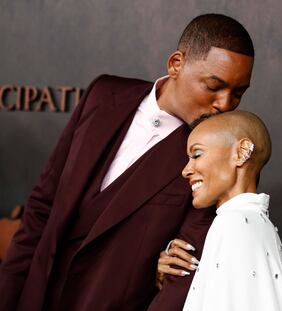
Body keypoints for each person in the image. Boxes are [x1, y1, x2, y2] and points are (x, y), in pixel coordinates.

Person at [0, 14, 254, 311]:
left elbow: (182, 277)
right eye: (213, 86)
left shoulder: (215, 156)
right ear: (175, 64)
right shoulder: (103, 94)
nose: (224, 104)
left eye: (238, 93)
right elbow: (42, 207)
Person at [179, 111, 282, 310]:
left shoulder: (231, 222)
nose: (186, 170)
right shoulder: (258, 221)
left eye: (197, 154)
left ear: (242, 152)